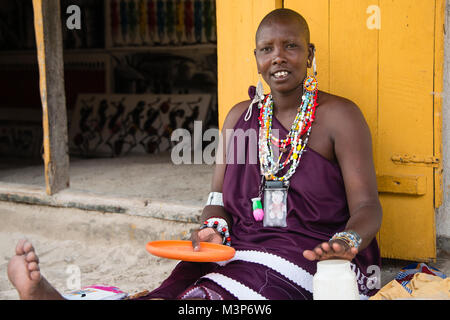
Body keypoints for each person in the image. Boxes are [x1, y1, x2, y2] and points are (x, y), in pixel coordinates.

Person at [7, 8, 382, 300]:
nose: (279, 57)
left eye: (291, 46)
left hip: (307, 253)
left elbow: (367, 207)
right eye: (267, 49)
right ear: (256, 58)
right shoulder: (241, 116)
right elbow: (217, 200)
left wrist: (345, 243)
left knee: (210, 297)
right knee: (174, 291)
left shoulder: (339, 116)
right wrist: (214, 229)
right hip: (238, 247)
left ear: (310, 53)